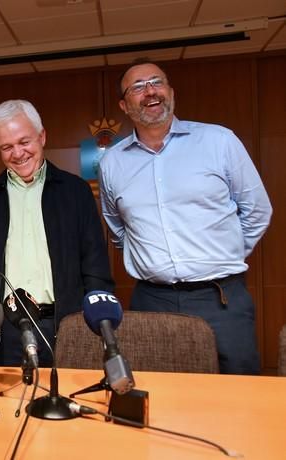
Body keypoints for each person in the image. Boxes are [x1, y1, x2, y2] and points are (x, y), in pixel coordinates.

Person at [99, 60, 272, 374]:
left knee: (240, 396)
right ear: (124, 105)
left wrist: (224, 254)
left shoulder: (219, 141)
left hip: (221, 299)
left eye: (157, 82)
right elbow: (117, 228)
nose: (150, 91)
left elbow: (257, 210)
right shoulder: (112, 162)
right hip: (152, 300)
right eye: (138, 86)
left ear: (170, 92)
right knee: (159, 396)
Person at [0, 100, 114, 366]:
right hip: (4, 332)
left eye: (24, 142)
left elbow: (95, 267)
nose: (18, 153)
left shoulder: (75, 192)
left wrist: (93, 326)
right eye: (7, 147)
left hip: (65, 325)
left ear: (42, 137)